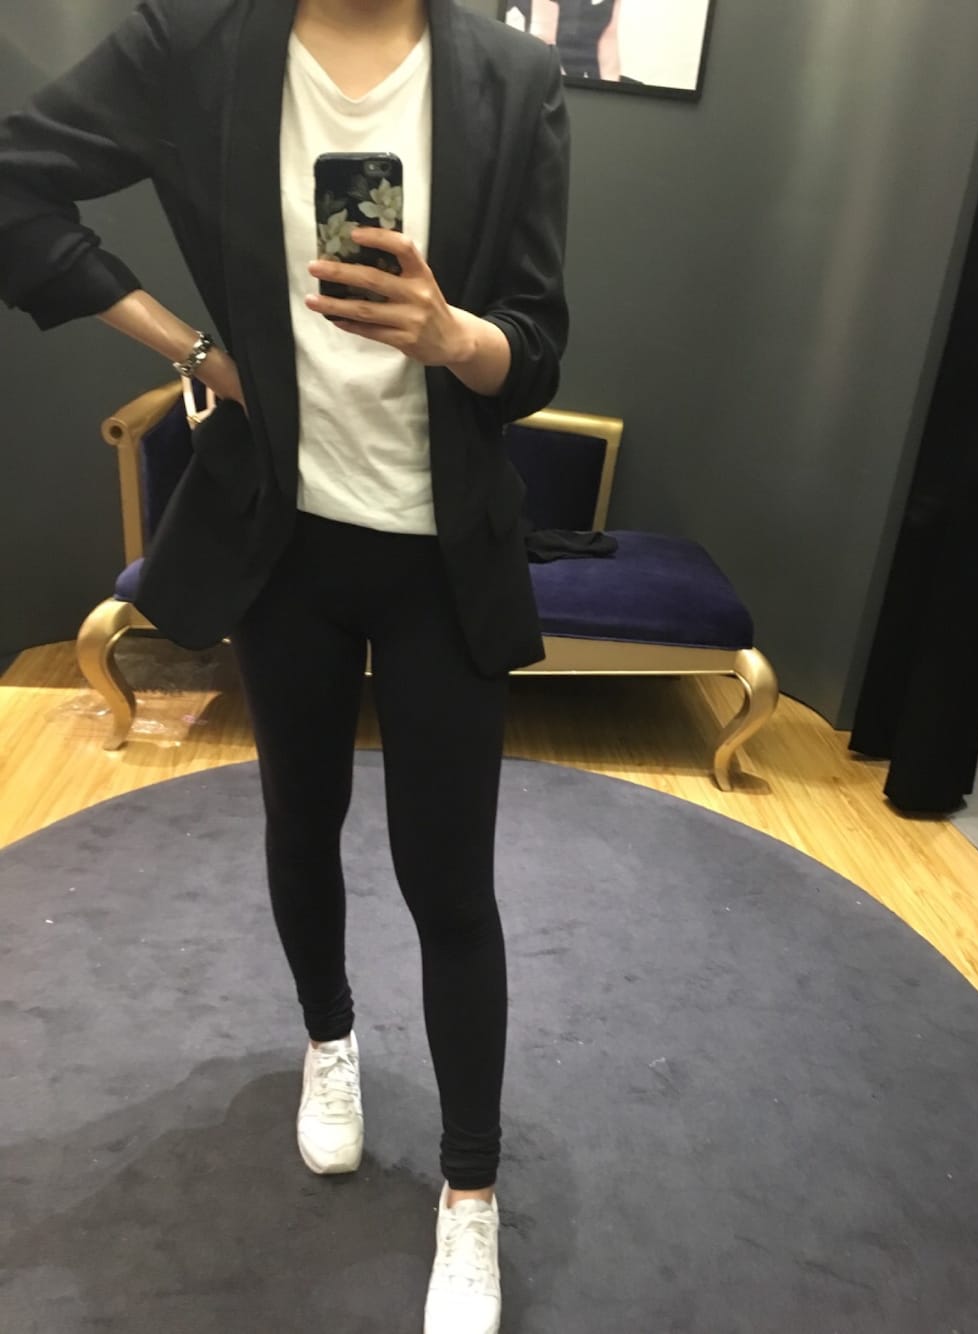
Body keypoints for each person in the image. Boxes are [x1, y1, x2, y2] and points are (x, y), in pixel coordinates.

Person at [0, 2, 570, 1331]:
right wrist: (196, 352)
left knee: (451, 884)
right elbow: (15, 185)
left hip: (443, 562)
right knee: (298, 823)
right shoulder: (194, 43)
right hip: (285, 545)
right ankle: (329, 1040)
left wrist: (451, 334)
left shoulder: (514, 77)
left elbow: (538, 347)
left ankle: (470, 1193)